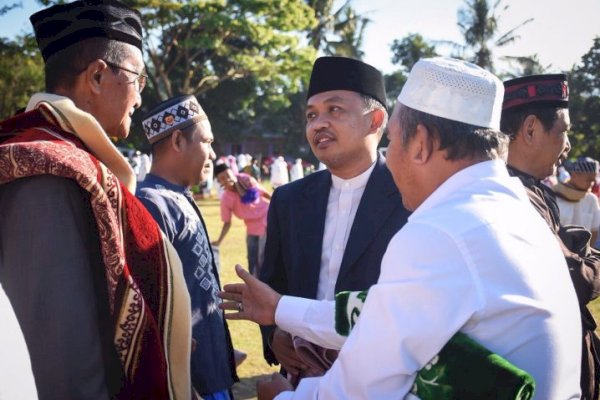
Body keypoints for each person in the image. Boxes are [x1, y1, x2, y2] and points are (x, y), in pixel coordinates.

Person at [220, 57, 582, 399]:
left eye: (392, 141)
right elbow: (381, 313)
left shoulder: (440, 231)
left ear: (421, 143)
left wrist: (283, 395)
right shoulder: (508, 208)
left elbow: (361, 388)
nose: (388, 157)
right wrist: (281, 309)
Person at [0, 1, 192, 398]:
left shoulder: (74, 162)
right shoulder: (46, 171)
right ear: (99, 76)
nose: (140, 97)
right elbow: (62, 359)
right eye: (138, 79)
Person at [258, 56, 410, 379]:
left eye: (335, 110)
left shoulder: (409, 199)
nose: (318, 124)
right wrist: (274, 335)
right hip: (301, 379)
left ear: (375, 120)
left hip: (378, 381)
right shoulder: (289, 201)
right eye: (311, 115)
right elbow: (273, 285)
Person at [501, 73, 600, 400]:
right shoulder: (513, 196)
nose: (568, 145)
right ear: (530, 129)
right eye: (564, 131)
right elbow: (574, 281)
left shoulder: (530, 189)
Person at [136, 95, 239, 399]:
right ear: (178, 140)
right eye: (206, 141)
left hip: (210, 369)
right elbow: (149, 308)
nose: (212, 153)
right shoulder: (151, 204)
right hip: (188, 382)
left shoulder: (177, 196)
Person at [212, 163, 271, 278]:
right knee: (252, 258)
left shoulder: (246, 179)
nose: (227, 179)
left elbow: (255, 196)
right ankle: (255, 284)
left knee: (263, 257)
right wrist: (219, 241)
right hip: (251, 227)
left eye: (228, 175)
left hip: (267, 219)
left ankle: (265, 285)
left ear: (233, 173)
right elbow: (227, 222)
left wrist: (280, 209)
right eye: (222, 179)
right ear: (220, 183)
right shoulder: (226, 198)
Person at [553, 156, 600, 245]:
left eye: (593, 181)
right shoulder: (555, 195)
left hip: (582, 255)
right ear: (574, 175)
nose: (592, 184)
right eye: (588, 180)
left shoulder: (591, 199)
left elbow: (594, 230)